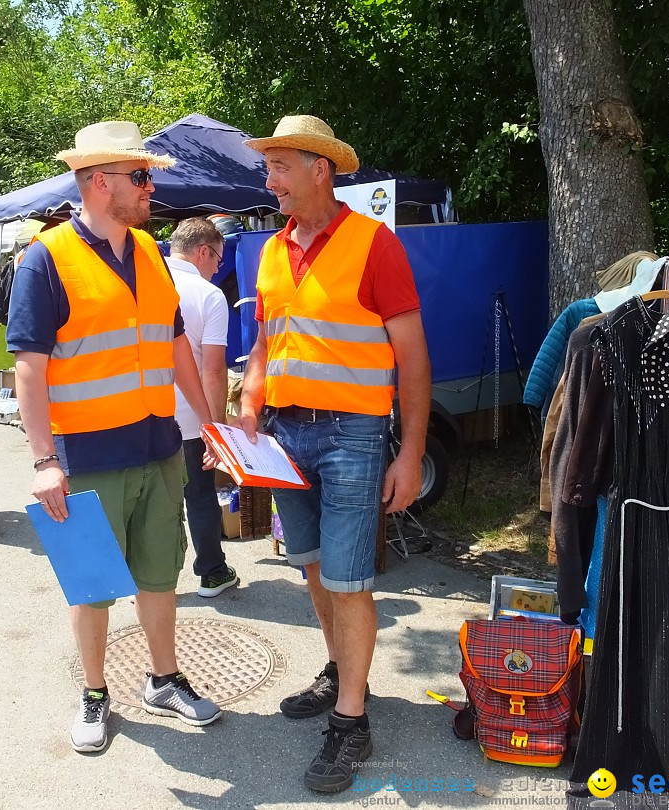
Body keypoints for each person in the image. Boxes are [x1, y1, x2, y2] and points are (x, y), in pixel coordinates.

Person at [8, 120, 222, 754]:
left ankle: (163, 678)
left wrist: (208, 420)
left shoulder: (153, 250)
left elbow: (175, 343)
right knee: (93, 581)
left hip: (159, 448)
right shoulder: (46, 258)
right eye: (140, 176)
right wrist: (45, 459)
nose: (150, 187)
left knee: (161, 572)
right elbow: (28, 366)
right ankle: (96, 693)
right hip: (88, 454)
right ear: (100, 182)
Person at [239, 115, 431, 793]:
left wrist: (409, 454)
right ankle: (339, 670)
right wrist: (248, 411)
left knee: (349, 581)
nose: (271, 181)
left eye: (281, 166)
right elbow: (265, 346)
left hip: (352, 434)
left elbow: (411, 358)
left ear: (320, 168)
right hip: (286, 437)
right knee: (315, 570)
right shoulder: (269, 251)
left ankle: (352, 720)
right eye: (269, 169)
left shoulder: (374, 245)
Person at [167, 217, 237, 597]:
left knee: (152, 500)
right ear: (204, 251)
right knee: (199, 496)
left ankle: (149, 581)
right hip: (190, 419)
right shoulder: (208, 296)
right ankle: (211, 572)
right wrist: (218, 427)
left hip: (143, 413)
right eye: (218, 260)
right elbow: (213, 369)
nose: (217, 268)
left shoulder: (144, 280)